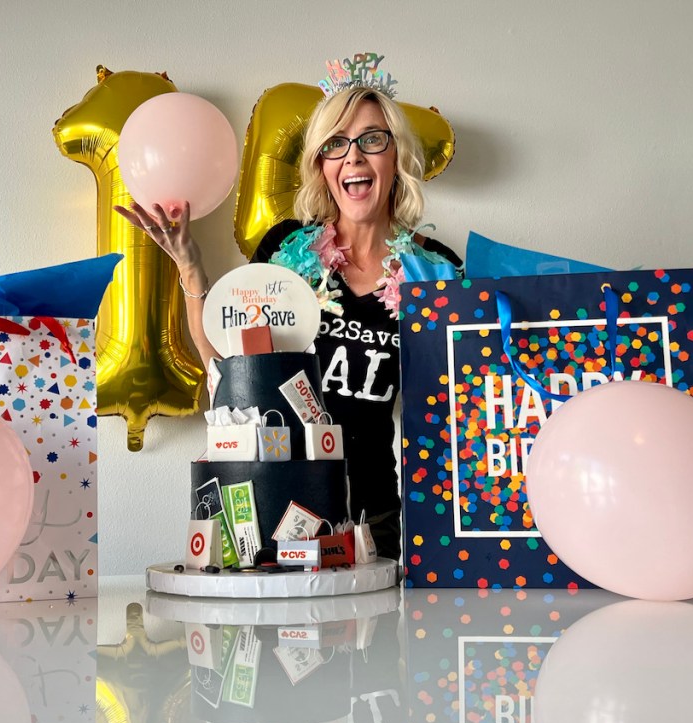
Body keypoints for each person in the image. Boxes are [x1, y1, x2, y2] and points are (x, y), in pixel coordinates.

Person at [115, 84, 461, 560]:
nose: (353, 157)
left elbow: (456, 408)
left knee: (375, 634)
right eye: (336, 144)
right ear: (322, 165)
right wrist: (191, 269)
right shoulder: (286, 252)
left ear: (395, 153)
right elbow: (227, 369)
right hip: (276, 504)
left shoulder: (435, 270)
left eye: (372, 140)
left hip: (374, 517)